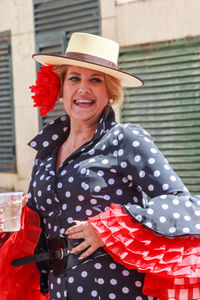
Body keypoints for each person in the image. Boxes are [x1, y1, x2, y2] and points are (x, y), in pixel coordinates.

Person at [0, 32, 200, 300]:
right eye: (74, 79)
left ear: (109, 92)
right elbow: (39, 222)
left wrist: (111, 227)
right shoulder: (46, 150)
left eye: (95, 80)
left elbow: (185, 205)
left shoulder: (125, 139)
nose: (83, 88)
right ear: (61, 88)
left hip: (117, 288)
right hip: (61, 291)